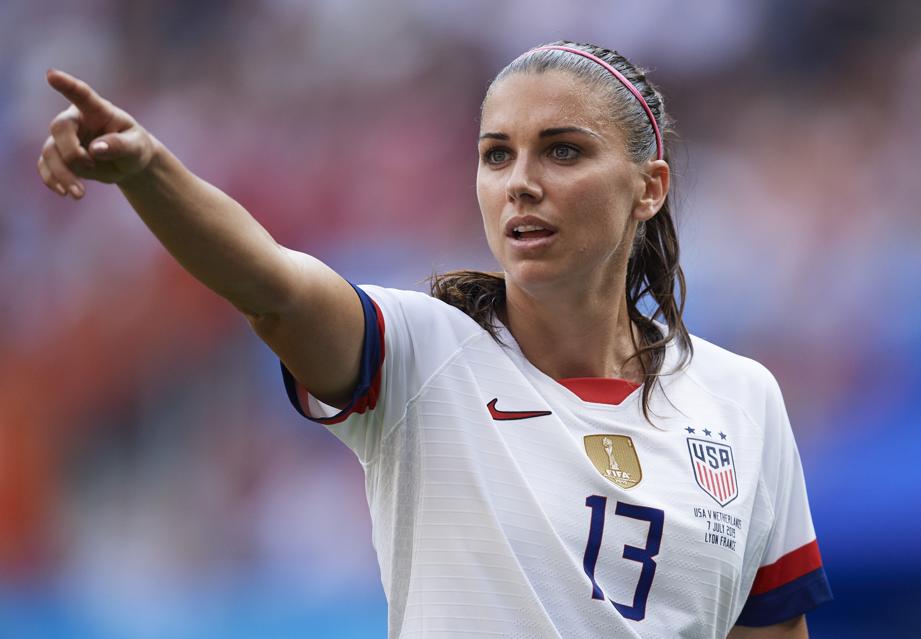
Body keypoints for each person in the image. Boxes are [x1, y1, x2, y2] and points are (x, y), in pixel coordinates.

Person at [38, 41, 832, 638]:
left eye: (562, 150)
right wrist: (147, 170)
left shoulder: (741, 399)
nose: (520, 181)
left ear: (648, 187)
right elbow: (272, 287)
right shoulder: (420, 352)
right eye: (496, 155)